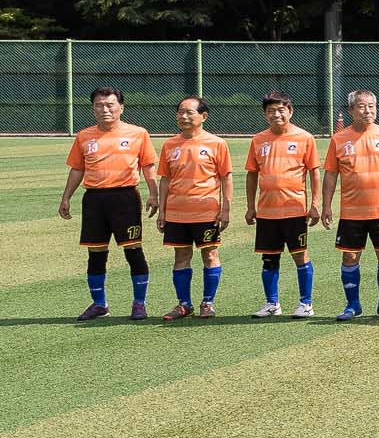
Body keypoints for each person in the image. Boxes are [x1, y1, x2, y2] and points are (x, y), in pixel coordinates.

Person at [59, 87, 155, 321]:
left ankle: (139, 304)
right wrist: (66, 197)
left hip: (125, 198)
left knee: (133, 251)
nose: (105, 109)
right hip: (94, 200)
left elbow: (148, 165)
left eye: (110, 105)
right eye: (99, 105)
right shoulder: (84, 136)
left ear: (121, 107)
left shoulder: (138, 133)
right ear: (92, 109)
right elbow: (77, 169)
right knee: (96, 253)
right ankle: (99, 304)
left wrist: (154, 194)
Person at [320, 88, 379, 323]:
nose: (367, 110)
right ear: (351, 110)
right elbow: (330, 174)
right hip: (351, 212)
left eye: (371, 106)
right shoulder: (339, 139)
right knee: (349, 258)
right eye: (361, 106)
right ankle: (352, 305)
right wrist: (326, 206)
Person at [152, 97, 231, 320]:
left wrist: (225, 209)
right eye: (180, 112)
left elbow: (226, 178)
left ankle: (208, 302)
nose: (183, 117)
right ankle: (184, 304)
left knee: (210, 254)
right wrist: (163, 211)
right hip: (177, 212)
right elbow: (165, 180)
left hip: (206, 211)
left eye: (189, 112)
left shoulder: (217, 144)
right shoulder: (170, 145)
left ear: (203, 116)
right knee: (181, 256)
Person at [244, 92, 321, 319]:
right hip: (267, 211)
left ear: (290, 111)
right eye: (271, 111)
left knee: (300, 255)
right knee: (269, 258)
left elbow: (314, 173)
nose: (276, 114)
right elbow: (252, 174)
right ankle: (272, 303)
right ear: (265, 114)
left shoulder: (305, 138)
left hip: (294, 209)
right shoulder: (258, 140)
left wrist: (315, 204)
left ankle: (306, 304)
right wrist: (250, 206)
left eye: (281, 110)